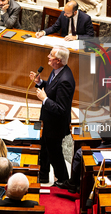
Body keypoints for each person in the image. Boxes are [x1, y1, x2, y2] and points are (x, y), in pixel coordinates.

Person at [29, 46, 75, 185]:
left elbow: (61, 109)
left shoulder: (65, 80)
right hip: (48, 120)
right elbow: (50, 87)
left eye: (51, 55)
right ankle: (43, 175)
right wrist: (39, 83)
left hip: (56, 125)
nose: (48, 57)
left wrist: (45, 99)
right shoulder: (57, 71)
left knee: (55, 153)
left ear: (59, 60)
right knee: (44, 149)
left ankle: (63, 180)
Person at [57, 120, 111, 193]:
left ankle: (73, 182)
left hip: (99, 174)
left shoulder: (95, 152)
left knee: (78, 153)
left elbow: (80, 153)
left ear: (98, 133)